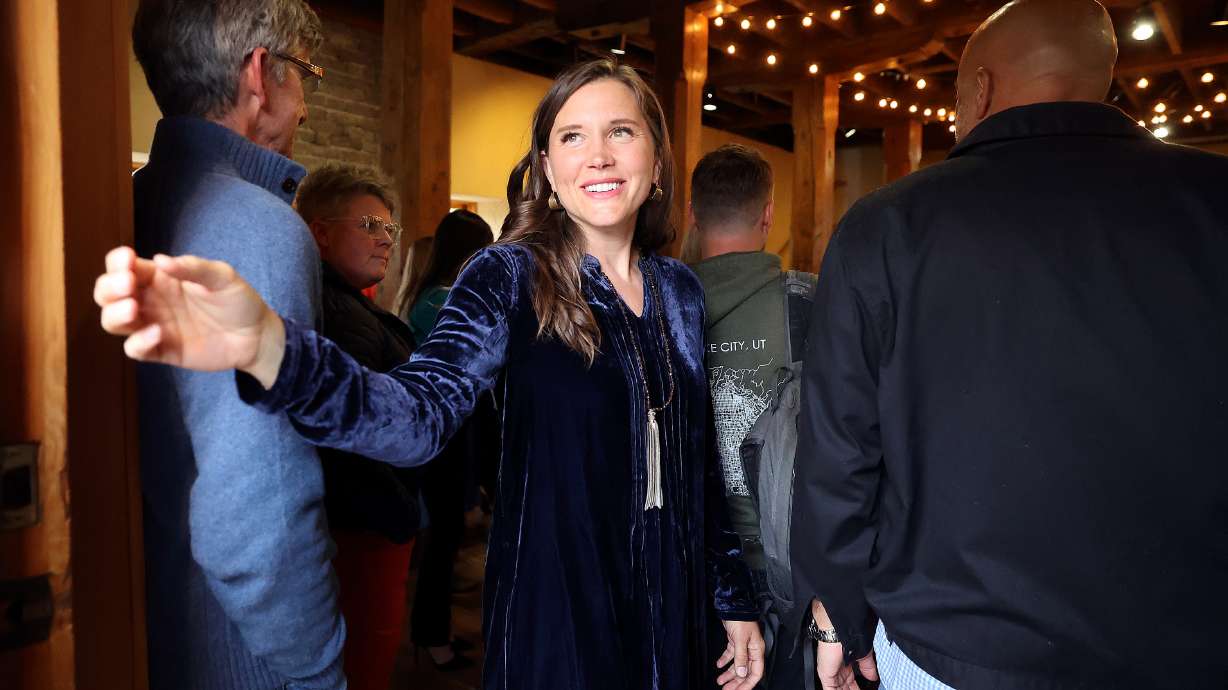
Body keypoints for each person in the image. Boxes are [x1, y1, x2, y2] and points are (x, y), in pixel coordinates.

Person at [95, 59, 765, 690]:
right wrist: (272, 348)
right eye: (572, 136)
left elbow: (699, 465)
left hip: (673, 617)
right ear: (548, 171)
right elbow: (415, 415)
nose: (598, 155)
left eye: (621, 131)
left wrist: (731, 600)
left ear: (655, 163)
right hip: (559, 617)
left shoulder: (679, 290)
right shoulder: (510, 275)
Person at [790, 0, 1228, 688]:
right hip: (1188, 645)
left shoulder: (891, 225)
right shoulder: (1215, 206)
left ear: (982, 89)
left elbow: (841, 449)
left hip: (955, 647)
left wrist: (837, 618)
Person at [126, 1, 344, 689]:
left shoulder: (127, 198)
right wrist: (318, 670)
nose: (306, 107)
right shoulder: (257, 227)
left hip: (148, 631)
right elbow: (260, 516)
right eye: (304, 74)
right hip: (239, 653)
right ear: (259, 76)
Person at [688, 143, 810, 690]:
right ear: (768, 216)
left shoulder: (646, 304)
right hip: (789, 570)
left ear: (692, 214)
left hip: (684, 562)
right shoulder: (812, 304)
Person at [296, 164, 422, 690]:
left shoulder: (347, 305)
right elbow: (349, 442)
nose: (385, 241)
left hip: (368, 521)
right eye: (370, 226)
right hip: (360, 528)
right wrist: (398, 509)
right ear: (321, 233)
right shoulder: (338, 315)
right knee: (364, 659)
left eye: (389, 230)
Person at [398, 209, 494, 672]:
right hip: (444, 436)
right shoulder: (442, 301)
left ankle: (433, 634)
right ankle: (432, 638)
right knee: (442, 539)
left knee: (444, 538)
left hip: (443, 433)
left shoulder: (431, 296)